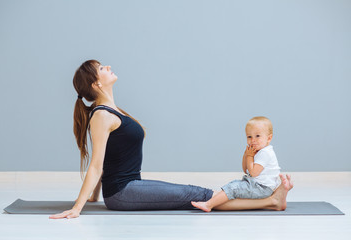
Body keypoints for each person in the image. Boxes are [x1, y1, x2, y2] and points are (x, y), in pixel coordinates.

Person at [49, 60, 293, 219]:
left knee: (197, 194)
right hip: (123, 193)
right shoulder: (101, 115)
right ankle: (271, 201)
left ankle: (270, 200)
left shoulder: (113, 111)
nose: (108, 66)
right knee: (199, 196)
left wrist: (95, 197)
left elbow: (112, 155)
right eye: (102, 68)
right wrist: (79, 207)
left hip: (128, 188)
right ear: (96, 83)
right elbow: (97, 163)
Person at [192, 116, 288, 212]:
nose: (253, 140)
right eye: (249, 137)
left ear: (269, 138)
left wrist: (250, 157)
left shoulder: (265, 153)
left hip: (262, 188)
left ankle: (208, 205)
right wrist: (246, 154)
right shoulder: (258, 151)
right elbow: (245, 170)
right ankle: (212, 202)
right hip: (255, 184)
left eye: (257, 136)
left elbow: (254, 173)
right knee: (234, 184)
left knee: (233, 188)